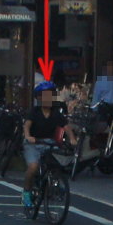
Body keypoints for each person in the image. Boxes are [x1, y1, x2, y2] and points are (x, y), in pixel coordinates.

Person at [22, 80, 72, 208]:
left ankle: (54, 184)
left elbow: (66, 126)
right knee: (33, 167)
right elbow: (27, 125)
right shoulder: (35, 111)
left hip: (49, 143)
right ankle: (26, 192)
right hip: (34, 143)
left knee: (56, 164)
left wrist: (72, 138)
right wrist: (28, 136)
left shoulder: (56, 113)